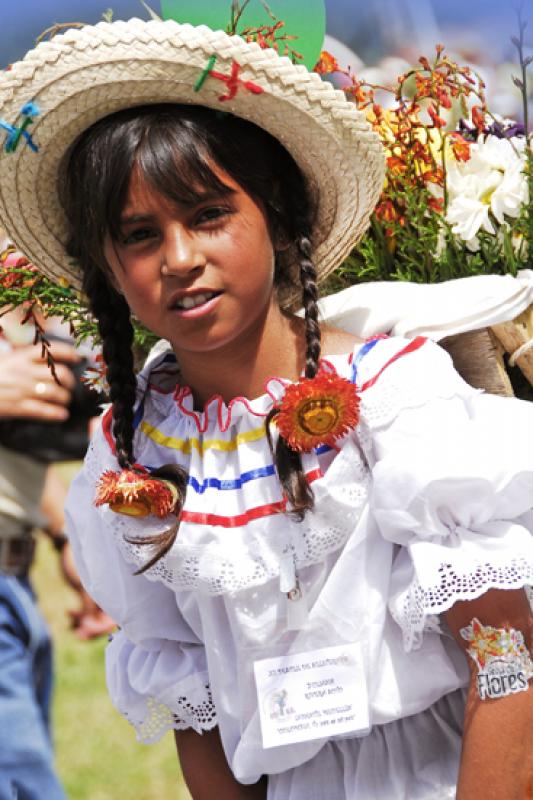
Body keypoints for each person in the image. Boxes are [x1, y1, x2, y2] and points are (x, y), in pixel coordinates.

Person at [0, 17, 531, 800]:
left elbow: (507, 656)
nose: (180, 258)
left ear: (277, 218)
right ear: (105, 267)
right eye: (140, 235)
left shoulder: (394, 392)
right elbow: (193, 697)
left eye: (209, 215)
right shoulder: (131, 452)